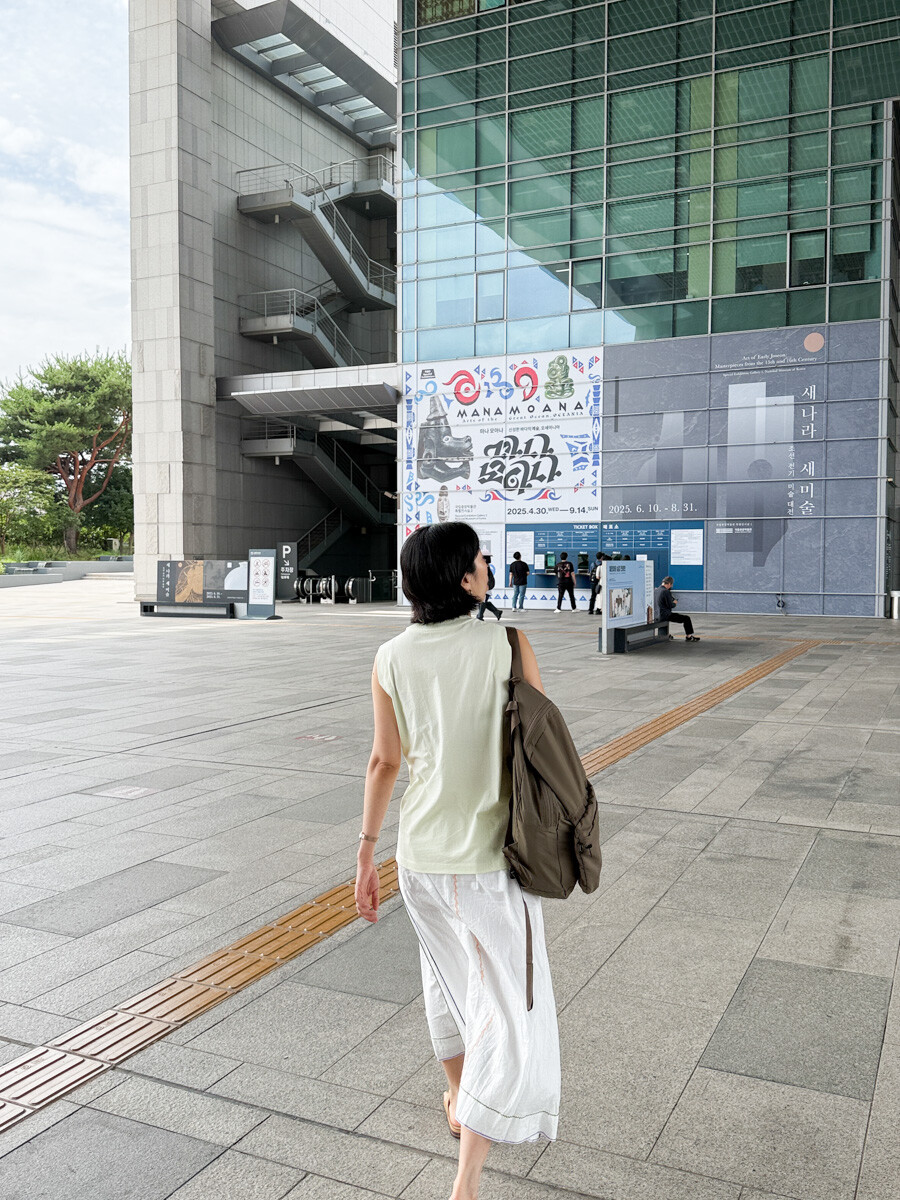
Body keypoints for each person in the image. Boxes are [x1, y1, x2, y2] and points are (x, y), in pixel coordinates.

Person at [356, 522, 559, 1200]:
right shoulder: (508, 644)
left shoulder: (390, 656)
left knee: (446, 984)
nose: (487, 564)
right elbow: (542, 743)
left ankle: (455, 1096)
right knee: (508, 1010)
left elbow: (384, 761)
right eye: (480, 557)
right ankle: (466, 1178)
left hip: (419, 859)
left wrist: (365, 853)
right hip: (491, 862)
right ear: (463, 578)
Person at [654, 575, 700, 641]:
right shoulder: (666, 591)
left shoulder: (656, 590)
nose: (671, 586)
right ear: (669, 583)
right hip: (665, 615)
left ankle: (665, 635)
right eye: (671, 585)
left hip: (656, 615)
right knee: (686, 618)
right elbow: (670, 605)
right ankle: (689, 636)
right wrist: (675, 603)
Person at [476, 554, 501, 621]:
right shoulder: (486, 567)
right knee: (483, 602)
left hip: (485, 588)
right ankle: (497, 612)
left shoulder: (485, 568)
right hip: (485, 587)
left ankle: (480, 616)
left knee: (482, 602)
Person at [587, 552, 609, 616]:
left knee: (593, 596)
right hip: (600, 583)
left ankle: (590, 610)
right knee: (600, 596)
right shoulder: (603, 564)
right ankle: (598, 609)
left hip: (593, 582)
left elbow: (590, 572)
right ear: (602, 557)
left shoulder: (593, 564)